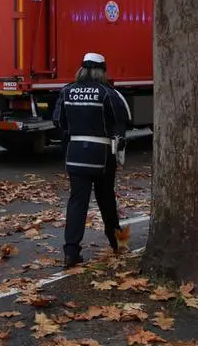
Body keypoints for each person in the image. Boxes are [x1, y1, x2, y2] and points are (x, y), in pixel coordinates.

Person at [52, 52, 132, 268]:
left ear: (82, 69)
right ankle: (116, 243)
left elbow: (59, 121)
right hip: (102, 155)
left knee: (77, 202)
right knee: (106, 199)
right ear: (102, 71)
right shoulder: (107, 93)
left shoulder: (67, 91)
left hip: (75, 154)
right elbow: (122, 121)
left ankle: (71, 251)